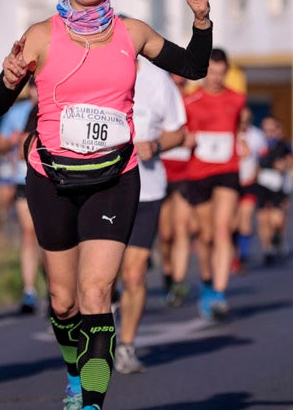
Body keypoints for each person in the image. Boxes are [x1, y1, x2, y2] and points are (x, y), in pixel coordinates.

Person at [0, 0, 212, 410]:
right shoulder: (40, 36)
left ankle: (90, 401)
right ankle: (73, 370)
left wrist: (202, 20)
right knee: (64, 302)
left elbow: (193, 67)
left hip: (114, 176)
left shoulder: (134, 32)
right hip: (51, 180)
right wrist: (7, 80)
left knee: (95, 291)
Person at [115, 57, 187, 375]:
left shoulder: (158, 81)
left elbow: (179, 133)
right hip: (102, 191)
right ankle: (100, 337)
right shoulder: (94, 72)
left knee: (134, 275)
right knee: (100, 280)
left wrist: (155, 145)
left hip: (147, 189)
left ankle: (126, 346)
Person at [180, 48, 247, 319]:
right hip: (198, 172)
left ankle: (219, 293)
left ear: (227, 71)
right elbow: (179, 130)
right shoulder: (190, 100)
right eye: (211, 72)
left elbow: (238, 127)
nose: (216, 78)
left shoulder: (237, 99)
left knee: (222, 230)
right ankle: (207, 281)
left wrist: (241, 140)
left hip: (227, 169)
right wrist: (186, 138)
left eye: (221, 73)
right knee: (205, 235)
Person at [0, 83, 40, 315]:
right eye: (33, 87)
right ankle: (29, 290)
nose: (37, 92)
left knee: (53, 239)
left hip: (51, 179)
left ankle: (59, 290)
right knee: (29, 234)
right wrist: (12, 141)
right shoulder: (18, 112)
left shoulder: (56, 108)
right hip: (23, 178)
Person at [158, 72, 196, 307]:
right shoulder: (160, 103)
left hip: (186, 173)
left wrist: (192, 138)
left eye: (183, 82)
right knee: (165, 235)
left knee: (182, 229)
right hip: (160, 173)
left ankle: (179, 281)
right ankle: (168, 273)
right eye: (175, 82)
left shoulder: (192, 105)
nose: (178, 86)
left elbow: (198, 133)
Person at [252, 117, 293, 263]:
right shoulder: (258, 144)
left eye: (272, 129)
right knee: (263, 218)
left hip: (278, 185)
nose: (269, 133)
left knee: (277, 218)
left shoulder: (284, 145)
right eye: (266, 130)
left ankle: (277, 237)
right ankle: (267, 248)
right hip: (262, 184)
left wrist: (284, 164)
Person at [233, 106, 267, 274]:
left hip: (249, 183)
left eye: (247, 120)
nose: (244, 123)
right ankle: (232, 254)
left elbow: (262, 157)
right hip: (231, 183)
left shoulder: (257, 135)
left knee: (245, 221)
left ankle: (242, 257)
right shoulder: (230, 134)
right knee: (232, 223)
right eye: (241, 119)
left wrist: (256, 173)